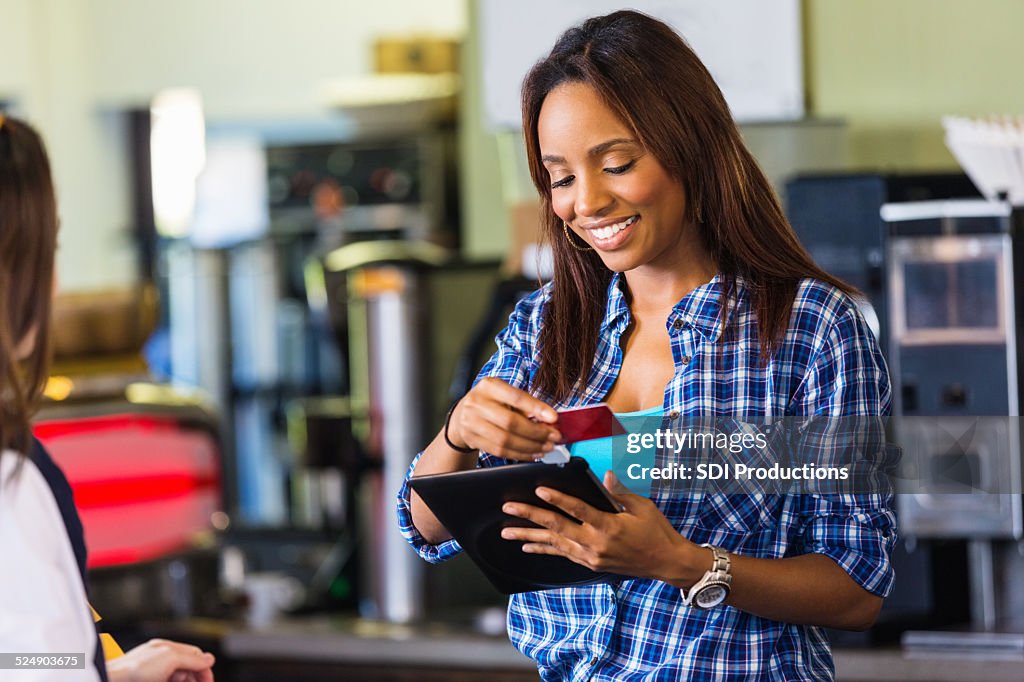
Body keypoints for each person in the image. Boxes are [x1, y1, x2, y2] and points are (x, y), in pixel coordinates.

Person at [397, 10, 895, 681]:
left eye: (617, 163)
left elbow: (857, 586)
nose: (588, 202)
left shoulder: (813, 327)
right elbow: (425, 526)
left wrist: (679, 562)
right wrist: (457, 433)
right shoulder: (545, 324)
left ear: (690, 146)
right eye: (562, 177)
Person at [0, 113, 216, 681]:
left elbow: (17, 661)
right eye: (47, 254)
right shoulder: (9, 478)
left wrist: (109, 671)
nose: (57, 286)